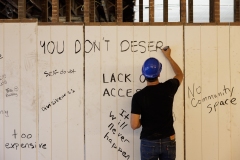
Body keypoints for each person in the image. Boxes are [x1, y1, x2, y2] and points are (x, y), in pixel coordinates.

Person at [130, 47, 183, 160]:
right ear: (159, 73)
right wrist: (168, 57)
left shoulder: (138, 97)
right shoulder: (169, 87)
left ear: (143, 74)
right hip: (169, 140)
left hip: (148, 142)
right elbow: (179, 74)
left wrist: (142, 122)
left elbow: (134, 125)